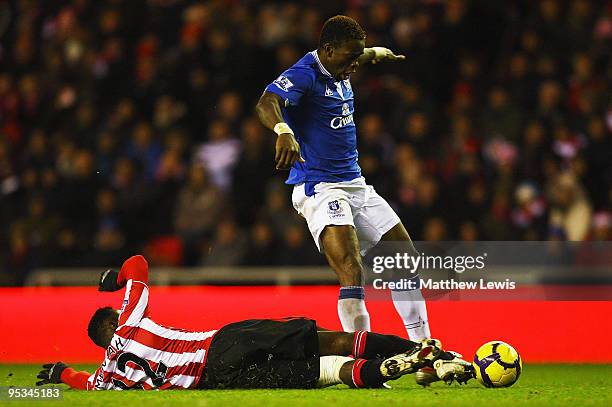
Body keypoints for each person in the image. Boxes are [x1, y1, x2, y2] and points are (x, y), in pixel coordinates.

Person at [255, 15, 433, 383]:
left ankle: (424, 353)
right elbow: (266, 102)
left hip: (355, 183)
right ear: (328, 50)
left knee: (405, 257)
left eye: (359, 56)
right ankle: (364, 362)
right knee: (352, 268)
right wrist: (283, 129)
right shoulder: (305, 73)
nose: (356, 63)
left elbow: (362, 55)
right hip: (318, 186)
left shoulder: (343, 62)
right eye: (350, 56)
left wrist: (377, 53)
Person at [35, 255, 473, 390]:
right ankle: (425, 354)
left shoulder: (109, 375)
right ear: (113, 323)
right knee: (324, 341)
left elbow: (84, 383)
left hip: (218, 383)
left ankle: (402, 366)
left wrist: (60, 373)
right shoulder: (128, 323)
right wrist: (116, 282)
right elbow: (138, 264)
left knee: (321, 374)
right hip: (221, 344)